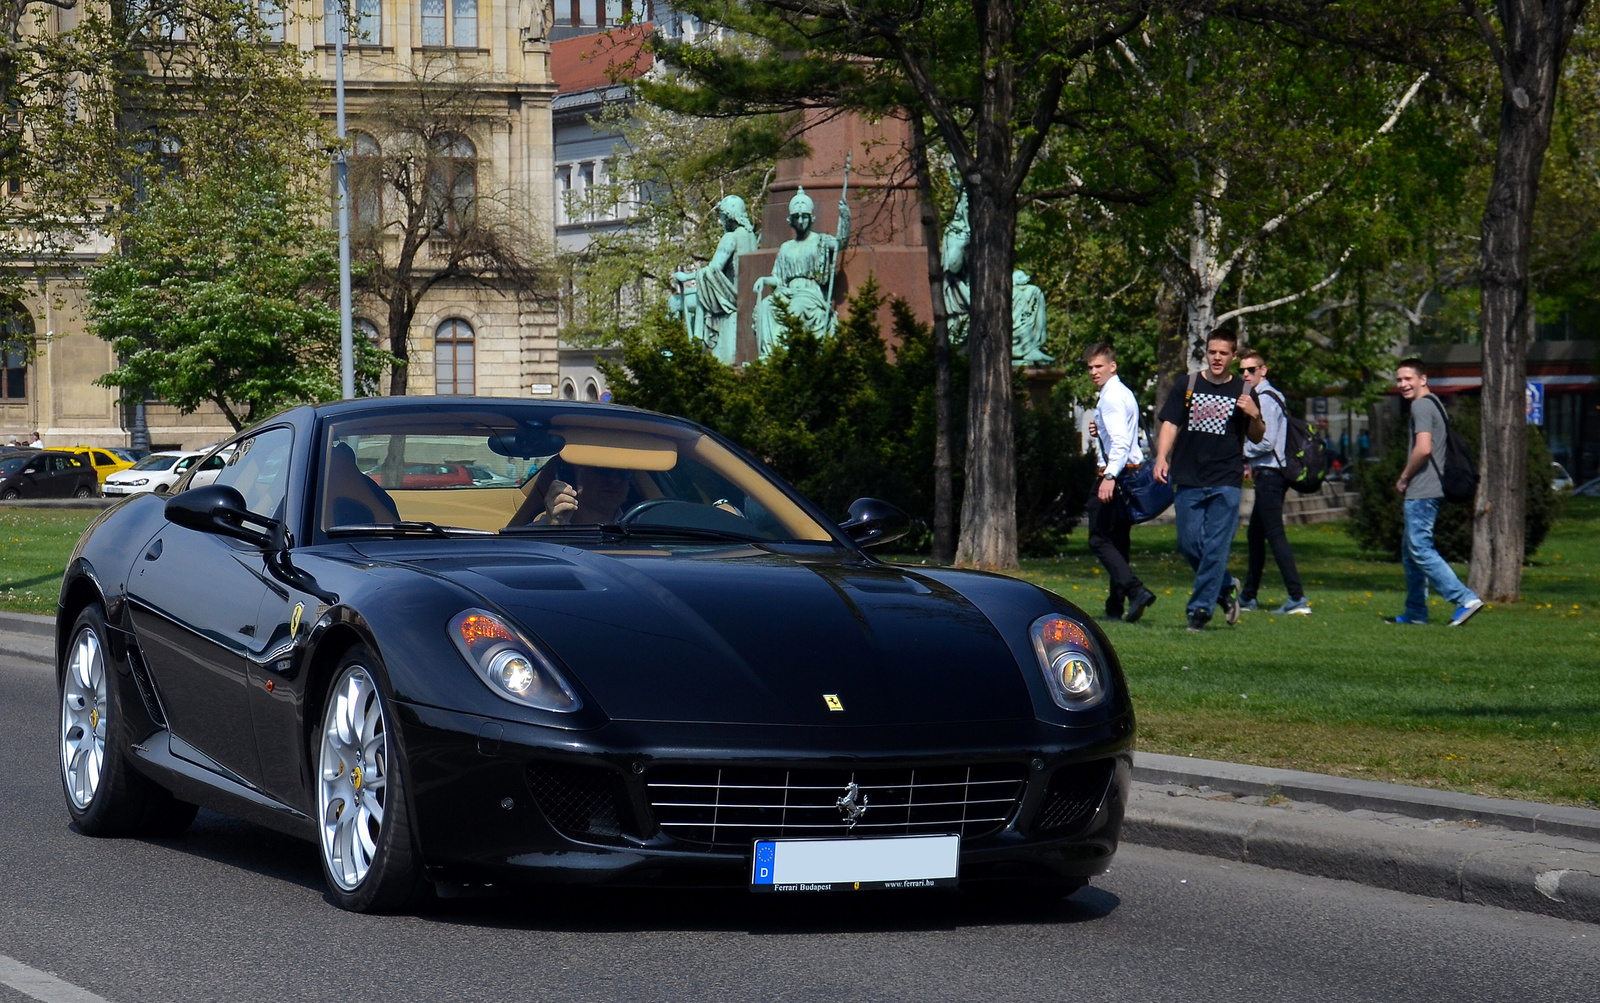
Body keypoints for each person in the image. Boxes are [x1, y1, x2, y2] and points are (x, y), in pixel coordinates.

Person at [1153, 332, 1265, 632]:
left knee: (1216, 548)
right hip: (1189, 476)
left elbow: (1257, 435)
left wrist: (1254, 416)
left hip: (1226, 479)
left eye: (1223, 353)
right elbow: (1170, 423)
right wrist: (1162, 457)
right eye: (1212, 352)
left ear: (1234, 355)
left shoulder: (1244, 389)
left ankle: (1199, 612)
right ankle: (1226, 586)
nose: (1217, 358)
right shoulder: (1187, 384)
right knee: (1189, 543)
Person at [1388, 359, 1485, 627]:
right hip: (1429, 488)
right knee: (1411, 552)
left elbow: (1424, 449)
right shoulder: (1434, 404)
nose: (1403, 384)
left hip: (1423, 489)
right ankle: (1416, 612)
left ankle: (1464, 598)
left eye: (1408, 378)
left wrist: (1404, 478)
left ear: (1423, 379)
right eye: (1399, 380)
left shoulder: (1421, 405)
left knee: (1420, 548)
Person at [1084, 344, 1157, 622]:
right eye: (1090, 367)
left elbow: (1122, 443)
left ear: (1112, 366)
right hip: (1125, 472)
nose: (1093, 372)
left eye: (1098, 366)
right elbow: (1119, 433)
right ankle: (1115, 606)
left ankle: (1136, 591)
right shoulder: (1121, 393)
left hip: (1115, 474)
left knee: (1098, 539)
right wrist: (1099, 428)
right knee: (1118, 541)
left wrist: (1109, 477)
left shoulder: (1111, 397)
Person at [1237, 350, 1309, 615]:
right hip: (1269, 475)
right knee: (1256, 535)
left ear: (1263, 370)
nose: (1246, 375)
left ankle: (1297, 597)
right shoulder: (1267, 397)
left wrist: (1240, 449)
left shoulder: (1265, 399)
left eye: (1251, 370)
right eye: (1242, 371)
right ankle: (1248, 596)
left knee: (1275, 534)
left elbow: (1265, 442)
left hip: (1270, 474)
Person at [752, 187, 851, 357]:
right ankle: (771, 356)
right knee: (766, 306)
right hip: (788, 290)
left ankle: (792, 356)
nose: (800, 220)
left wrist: (845, 219)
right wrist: (764, 280)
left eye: (804, 216)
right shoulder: (786, 247)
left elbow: (840, 244)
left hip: (809, 293)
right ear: (790, 220)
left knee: (796, 308)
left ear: (811, 218)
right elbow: (778, 278)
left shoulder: (820, 240)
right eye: (796, 217)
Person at [672, 195, 758, 365]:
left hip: (730, 296)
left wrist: (686, 276)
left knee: (676, 302)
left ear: (730, 216)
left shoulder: (730, 237)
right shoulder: (751, 236)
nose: (721, 221)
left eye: (723, 216)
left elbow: (714, 269)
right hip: (746, 295)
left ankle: (695, 348)